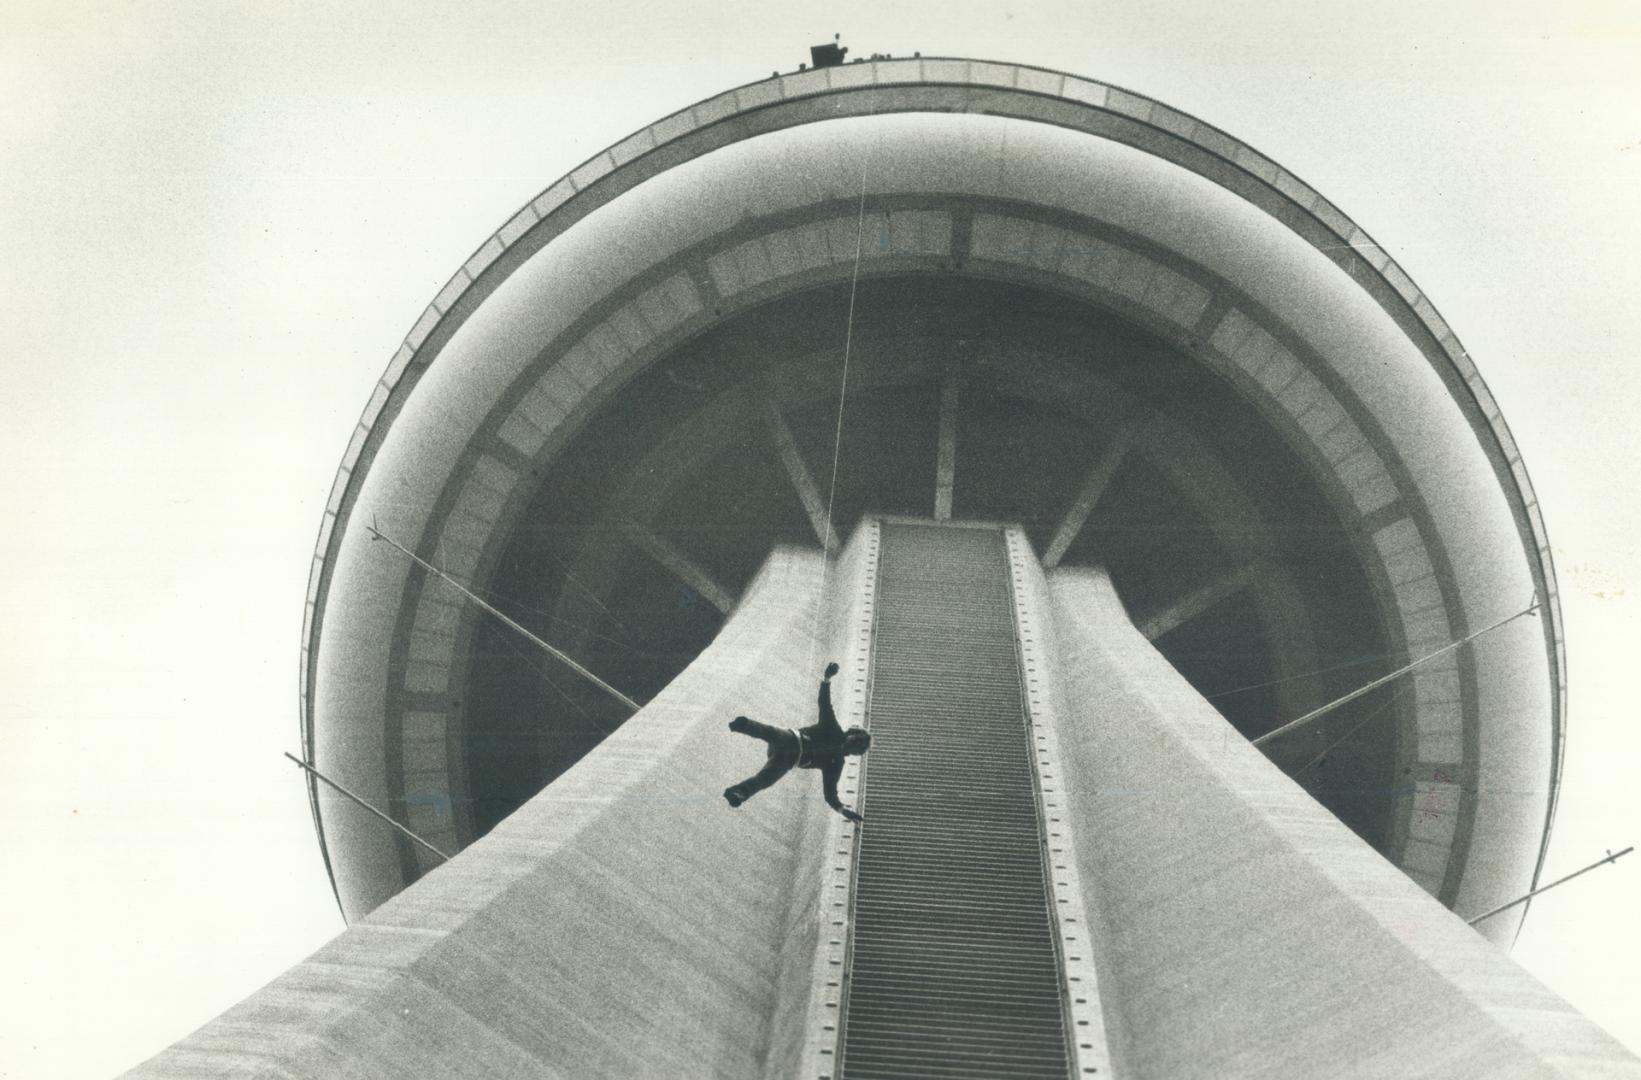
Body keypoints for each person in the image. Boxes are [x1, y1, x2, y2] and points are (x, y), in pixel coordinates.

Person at [723, 661, 870, 822]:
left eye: (854, 749)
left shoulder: (836, 764)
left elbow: (829, 793)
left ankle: (738, 793)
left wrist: (842, 809)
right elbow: (825, 704)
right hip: (793, 740)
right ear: (849, 735)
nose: (847, 748)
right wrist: (827, 678)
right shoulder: (833, 728)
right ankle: (744, 725)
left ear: (854, 753)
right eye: (853, 743)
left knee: (766, 779)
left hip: (788, 760)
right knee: (773, 733)